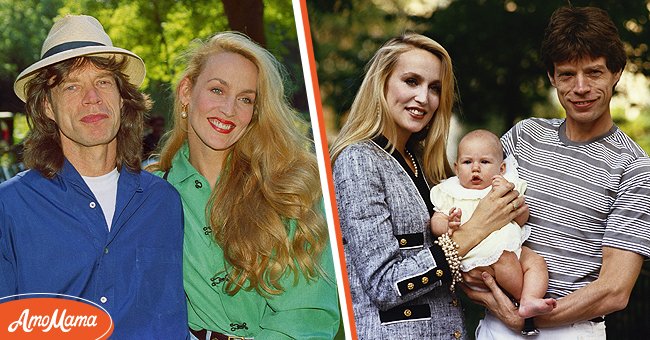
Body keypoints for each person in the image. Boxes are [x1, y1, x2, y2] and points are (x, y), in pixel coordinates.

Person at [464, 6, 650, 339]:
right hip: (496, 326)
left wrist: (528, 319)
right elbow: (468, 201)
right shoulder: (524, 136)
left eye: (594, 72)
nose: (580, 88)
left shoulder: (635, 168)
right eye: (567, 74)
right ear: (552, 76)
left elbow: (614, 290)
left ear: (616, 73)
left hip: (568, 329)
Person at [0, 14, 187, 338]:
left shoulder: (164, 202)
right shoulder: (10, 208)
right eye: (72, 85)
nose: (92, 97)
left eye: (103, 81)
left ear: (120, 97)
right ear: (47, 106)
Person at [330, 33, 526, 339]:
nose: (424, 97)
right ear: (382, 83)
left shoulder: (421, 162)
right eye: (411, 81)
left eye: (434, 88)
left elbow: (443, 271)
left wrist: (496, 299)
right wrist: (477, 228)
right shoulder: (358, 159)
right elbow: (384, 283)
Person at [149, 32, 340, 339]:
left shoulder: (290, 188)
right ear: (187, 91)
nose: (229, 110)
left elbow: (308, 316)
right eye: (217, 90)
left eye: (245, 99)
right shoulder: (151, 195)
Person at [430, 129, 556, 319]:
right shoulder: (450, 191)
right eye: (467, 162)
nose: (475, 168)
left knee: (536, 261)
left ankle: (530, 299)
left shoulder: (505, 187)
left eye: (485, 162)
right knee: (506, 261)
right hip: (482, 253)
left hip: (511, 246)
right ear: (456, 168)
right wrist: (447, 224)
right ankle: (520, 298)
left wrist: (519, 208)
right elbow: (436, 221)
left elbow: (521, 219)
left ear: (502, 169)